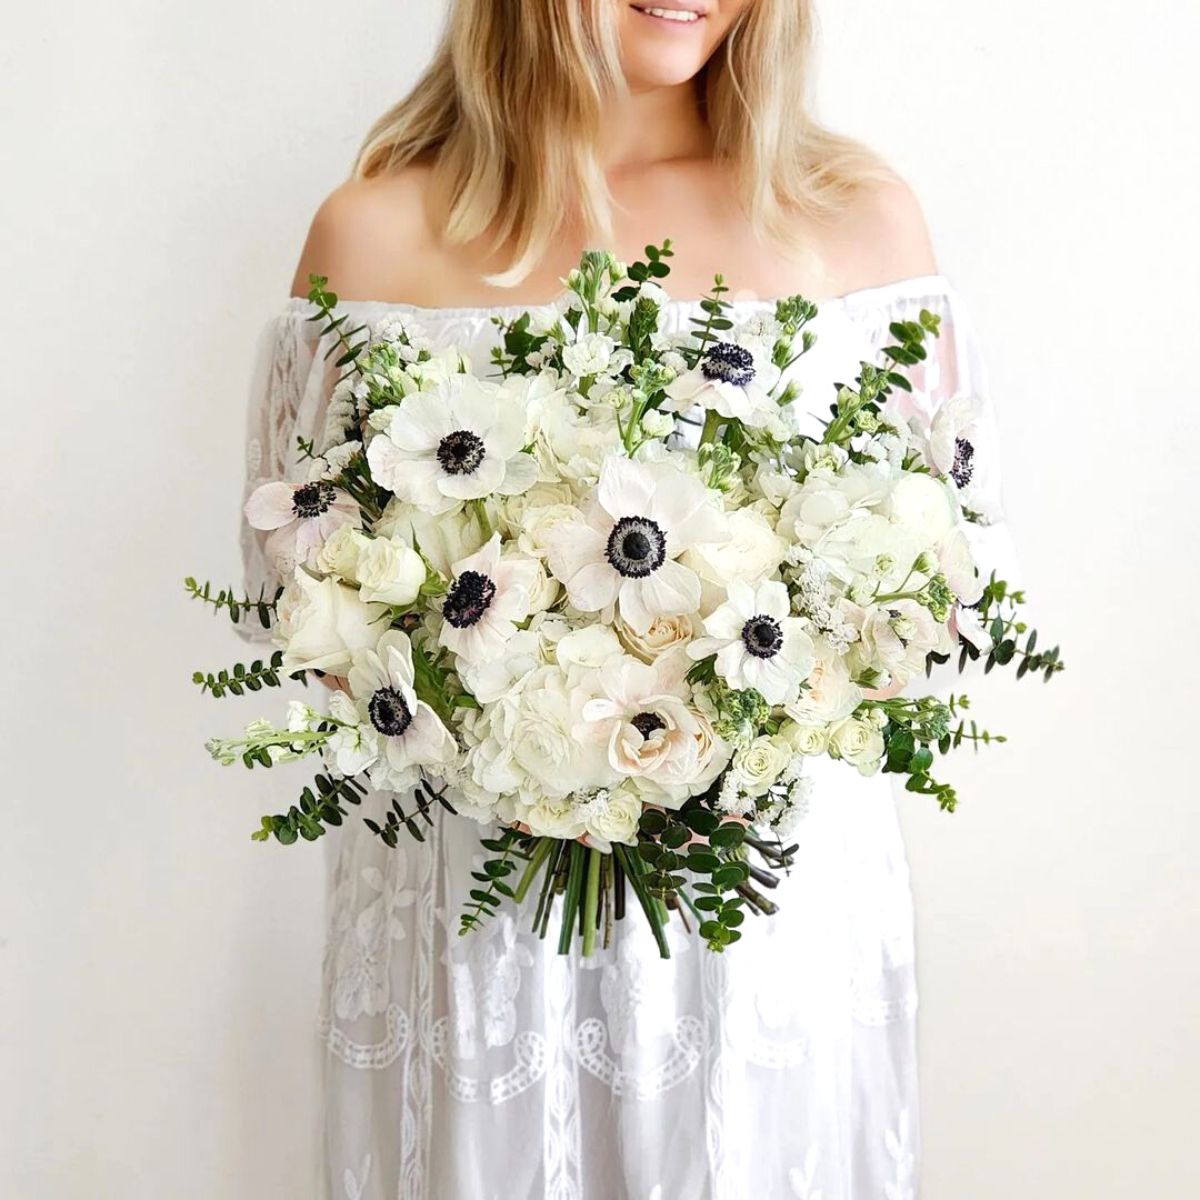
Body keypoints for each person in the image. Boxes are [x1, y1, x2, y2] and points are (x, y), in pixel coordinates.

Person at [239, 2, 1016, 1195]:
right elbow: (303, 610)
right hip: (482, 930)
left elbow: (934, 594)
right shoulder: (377, 234)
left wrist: (737, 706)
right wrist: (523, 706)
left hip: (764, 925)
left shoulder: (855, 219)